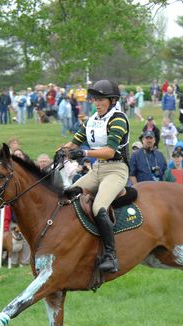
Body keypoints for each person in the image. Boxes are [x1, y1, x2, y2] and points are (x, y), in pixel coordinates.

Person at [62, 80, 130, 274]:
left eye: (101, 100)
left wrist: (84, 154)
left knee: (99, 207)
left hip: (116, 170)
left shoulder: (118, 119)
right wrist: (62, 150)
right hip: (96, 170)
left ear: (112, 100)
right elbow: (75, 142)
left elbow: (109, 151)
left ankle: (111, 256)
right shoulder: (91, 120)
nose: (97, 103)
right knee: (68, 195)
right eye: (95, 99)